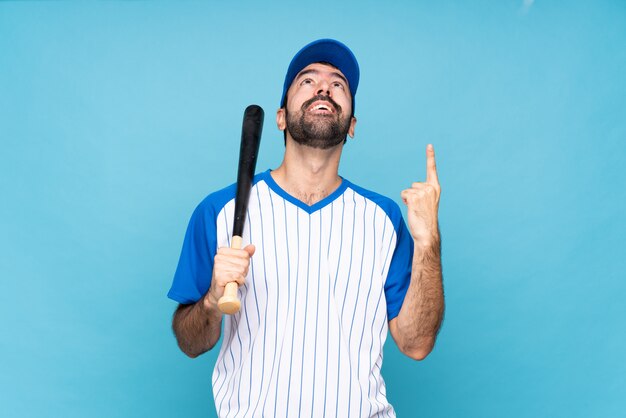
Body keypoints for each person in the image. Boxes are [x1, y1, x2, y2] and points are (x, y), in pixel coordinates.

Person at [167, 38, 444, 418]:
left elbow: (416, 344)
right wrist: (213, 301)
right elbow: (189, 342)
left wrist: (428, 242)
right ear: (281, 117)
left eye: (338, 84)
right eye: (308, 80)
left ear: (352, 125)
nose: (324, 88)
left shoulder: (386, 218)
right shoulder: (219, 211)